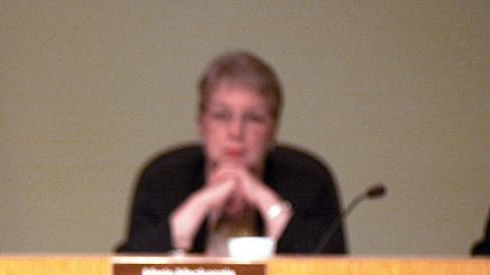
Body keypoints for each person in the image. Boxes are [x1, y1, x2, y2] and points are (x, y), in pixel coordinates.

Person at [117, 51, 346, 255]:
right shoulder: (163, 180)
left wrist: (267, 202)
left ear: (273, 129)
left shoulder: (309, 182)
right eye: (222, 116)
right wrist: (200, 203)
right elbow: (125, 271)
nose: (236, 132)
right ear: (201, 124)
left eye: (254, 118)